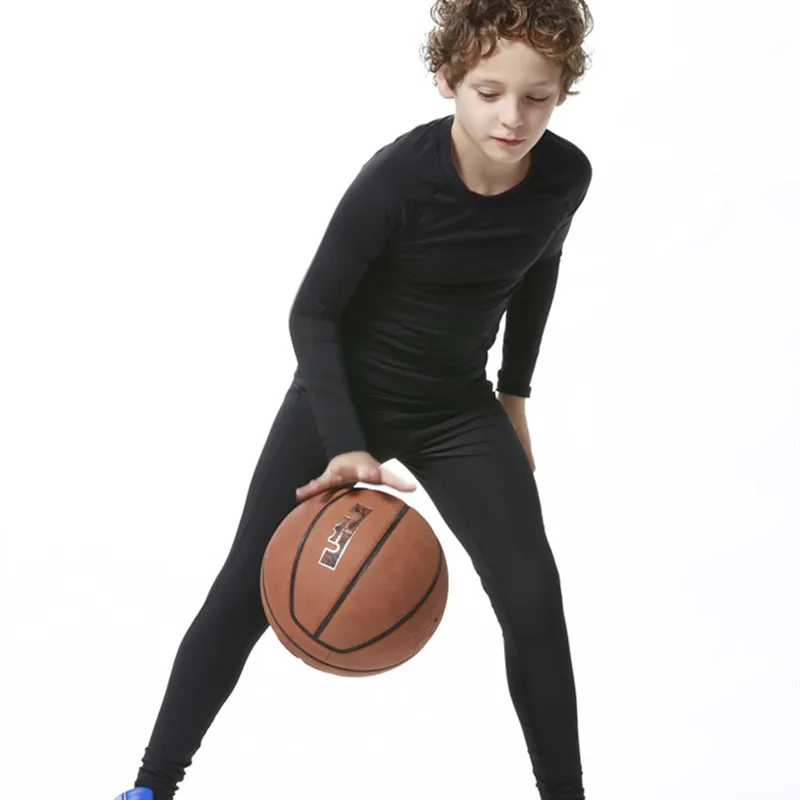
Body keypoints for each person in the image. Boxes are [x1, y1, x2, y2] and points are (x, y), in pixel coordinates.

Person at [113, 1, 595, 798]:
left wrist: (514, 396)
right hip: (341, 395)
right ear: (447, 79)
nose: (513, 117)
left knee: (533, 599)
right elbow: (312, 313)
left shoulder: (566, 176)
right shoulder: (398, 179)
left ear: (562, 91)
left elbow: (539, 269)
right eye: (488, 93)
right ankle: (150, 785)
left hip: (454, 407)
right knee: (246, 590)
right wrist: (344, 441)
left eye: (537, 97)